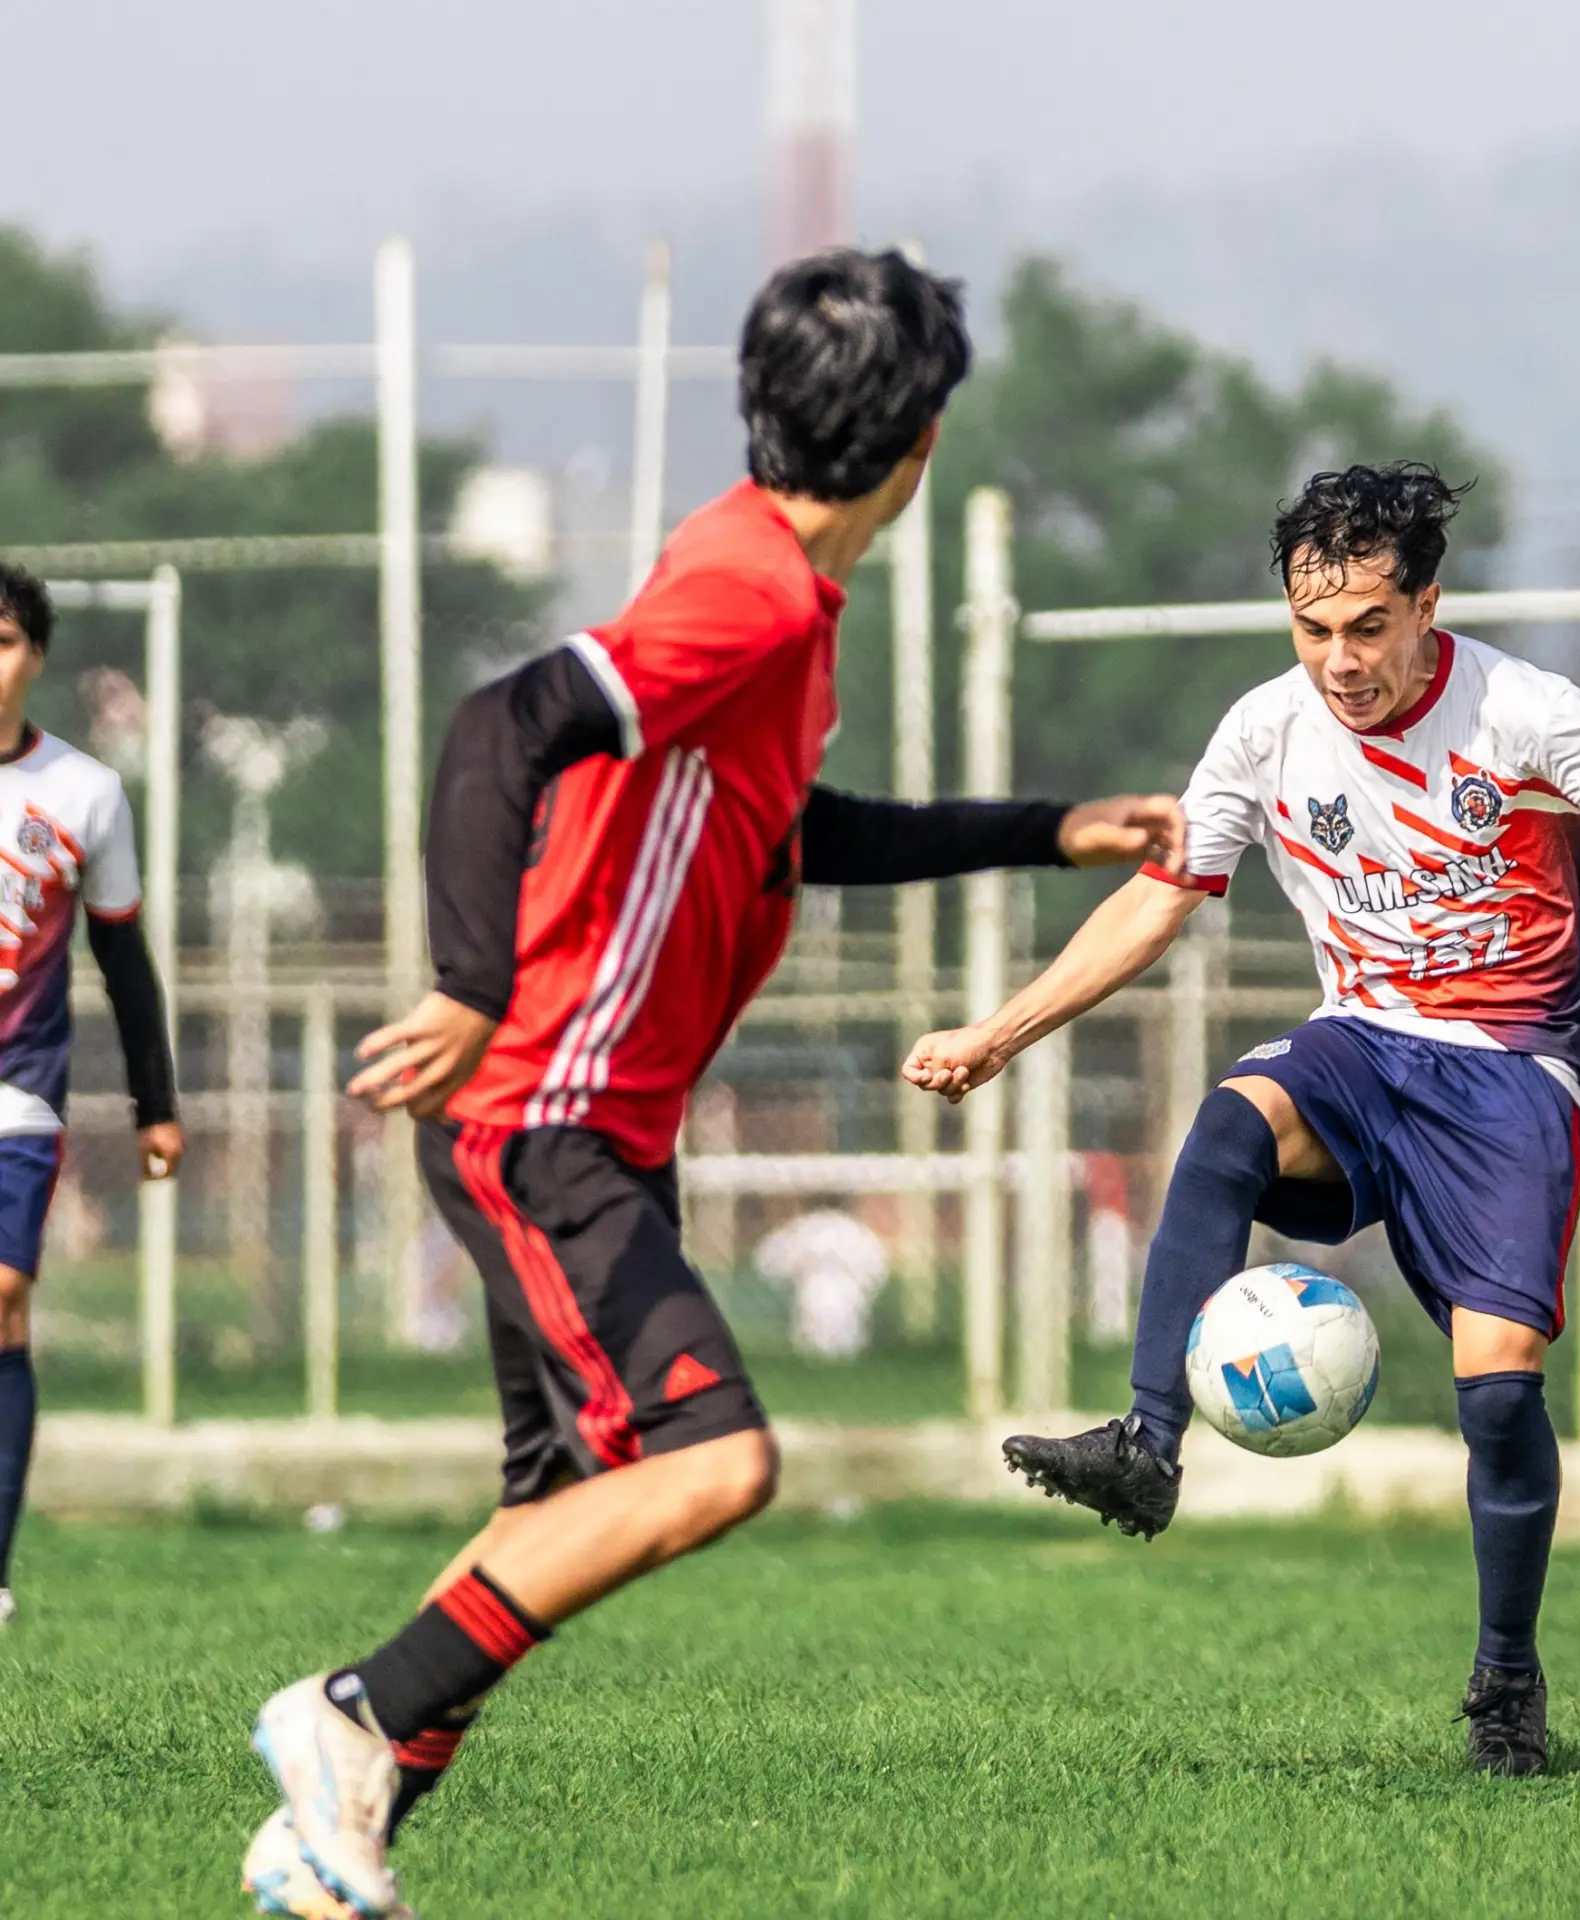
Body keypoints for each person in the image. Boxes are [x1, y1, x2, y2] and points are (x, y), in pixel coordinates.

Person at [240, 249, 1185, 1920]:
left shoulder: (759, 586)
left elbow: (786, 832)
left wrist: (1045, 829)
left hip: (589, 1121)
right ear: (925, 445)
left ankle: (335, 1841)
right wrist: (471, 987)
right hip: (549, 1118)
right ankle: (349, 1720)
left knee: (562, 1504)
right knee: (713, 1461)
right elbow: (497, 726)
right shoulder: (750, 593)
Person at [902, 463, 1580, 1777]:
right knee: (1231, 1122)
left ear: (1427, 603)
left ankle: (1506, 1681)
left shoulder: (1520, 712)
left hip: (1510, 1076)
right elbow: (1160, 893)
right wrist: (997, 1033)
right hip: (1361, 1052)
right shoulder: (1264, 730)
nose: (1341, 658)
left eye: (1369, 625)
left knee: (1496, 1399)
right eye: (1315, 629)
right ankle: (1147, 1441)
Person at [0, 562, 182, 1632]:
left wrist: (155, 1104)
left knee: (5, 1300)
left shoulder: (85, 794)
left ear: (37, 657)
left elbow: (124, 960)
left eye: (7, 639)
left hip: (18, 1087)